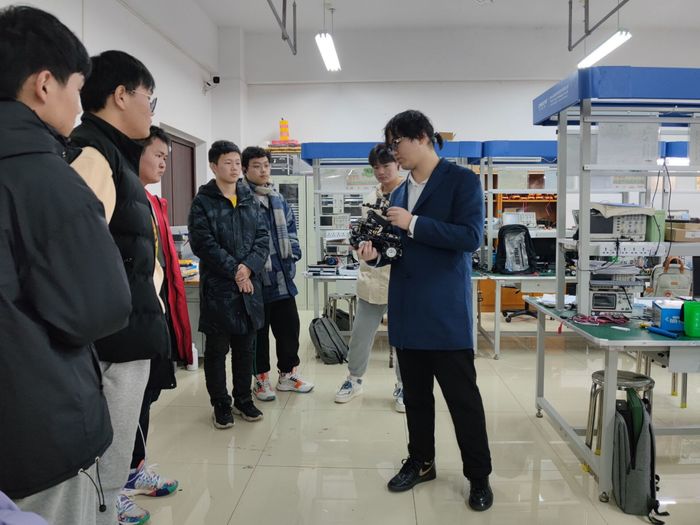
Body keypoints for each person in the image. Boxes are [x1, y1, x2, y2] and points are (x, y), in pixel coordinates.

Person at [0, 6, 132, 525]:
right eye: (77, 89)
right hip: (39, 424)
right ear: (44, 84)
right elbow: (100, 308)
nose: (78, 107)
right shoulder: (47, 177)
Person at [356, 110, 493, 512]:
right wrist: (375, 255)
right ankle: (421, 462)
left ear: (421, 137)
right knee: (415, 398)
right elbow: (396, 249)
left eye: (397, 143)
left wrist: (414, 223)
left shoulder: (461, 181)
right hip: (407, 311)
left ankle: (479, 476)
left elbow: (470, 237)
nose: (393, 152)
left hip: (445, 313)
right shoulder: (399, 193)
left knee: (463, 401)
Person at [70, 50, 171, 525]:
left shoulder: (117, 158)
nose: (151, 109)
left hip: (128, 328)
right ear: (121, 95)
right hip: (113, 336)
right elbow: (77, 256)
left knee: (118, 451)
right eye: (149, 97)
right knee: (104, 464)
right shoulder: (94, 156)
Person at [119, 126, 194, 515]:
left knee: (144, 397)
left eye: (167, 157)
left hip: (154, 310)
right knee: (121, 405)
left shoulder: (150, 201)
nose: (163, 163)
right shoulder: (120, 197)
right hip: (125, 318)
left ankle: (134, 470)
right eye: (158, 155)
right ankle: (112, 486)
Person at [188, 140, 270, 428]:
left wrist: (248, 268)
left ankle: (243, 400)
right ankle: (221, 404)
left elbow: (263, 239)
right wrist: (236, 270)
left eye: (237, 162)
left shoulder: (249, 199)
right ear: (213, 166)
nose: (235, 168)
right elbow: (202, 243)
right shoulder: (203, 202)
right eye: (228, 162)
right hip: (220, 290)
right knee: (217, 351)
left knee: (245, 350)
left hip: (248, 289)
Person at [335, 144, 404, 411]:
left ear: (398, 164)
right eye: (376, 167)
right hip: (371, 277)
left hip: (402, 278)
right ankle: (354, 380)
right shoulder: (368, 198)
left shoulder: (409, 195)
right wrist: (359, 247)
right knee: (360, 335)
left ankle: (404, 385)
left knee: (403, 338)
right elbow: (365, 233)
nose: (381, 172)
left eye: (386, 166)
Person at [241, 146, 314, 401]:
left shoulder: (277, 198)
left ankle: (287, 375)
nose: (263, 170)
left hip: (282, 277)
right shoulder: (241, 199)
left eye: (266, 165)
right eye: (256, 166)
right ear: (245, 169)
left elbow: (291, 229)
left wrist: (293, 253)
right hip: (256, 278)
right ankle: (261, 380)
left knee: (289, 328)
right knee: (258, 333)